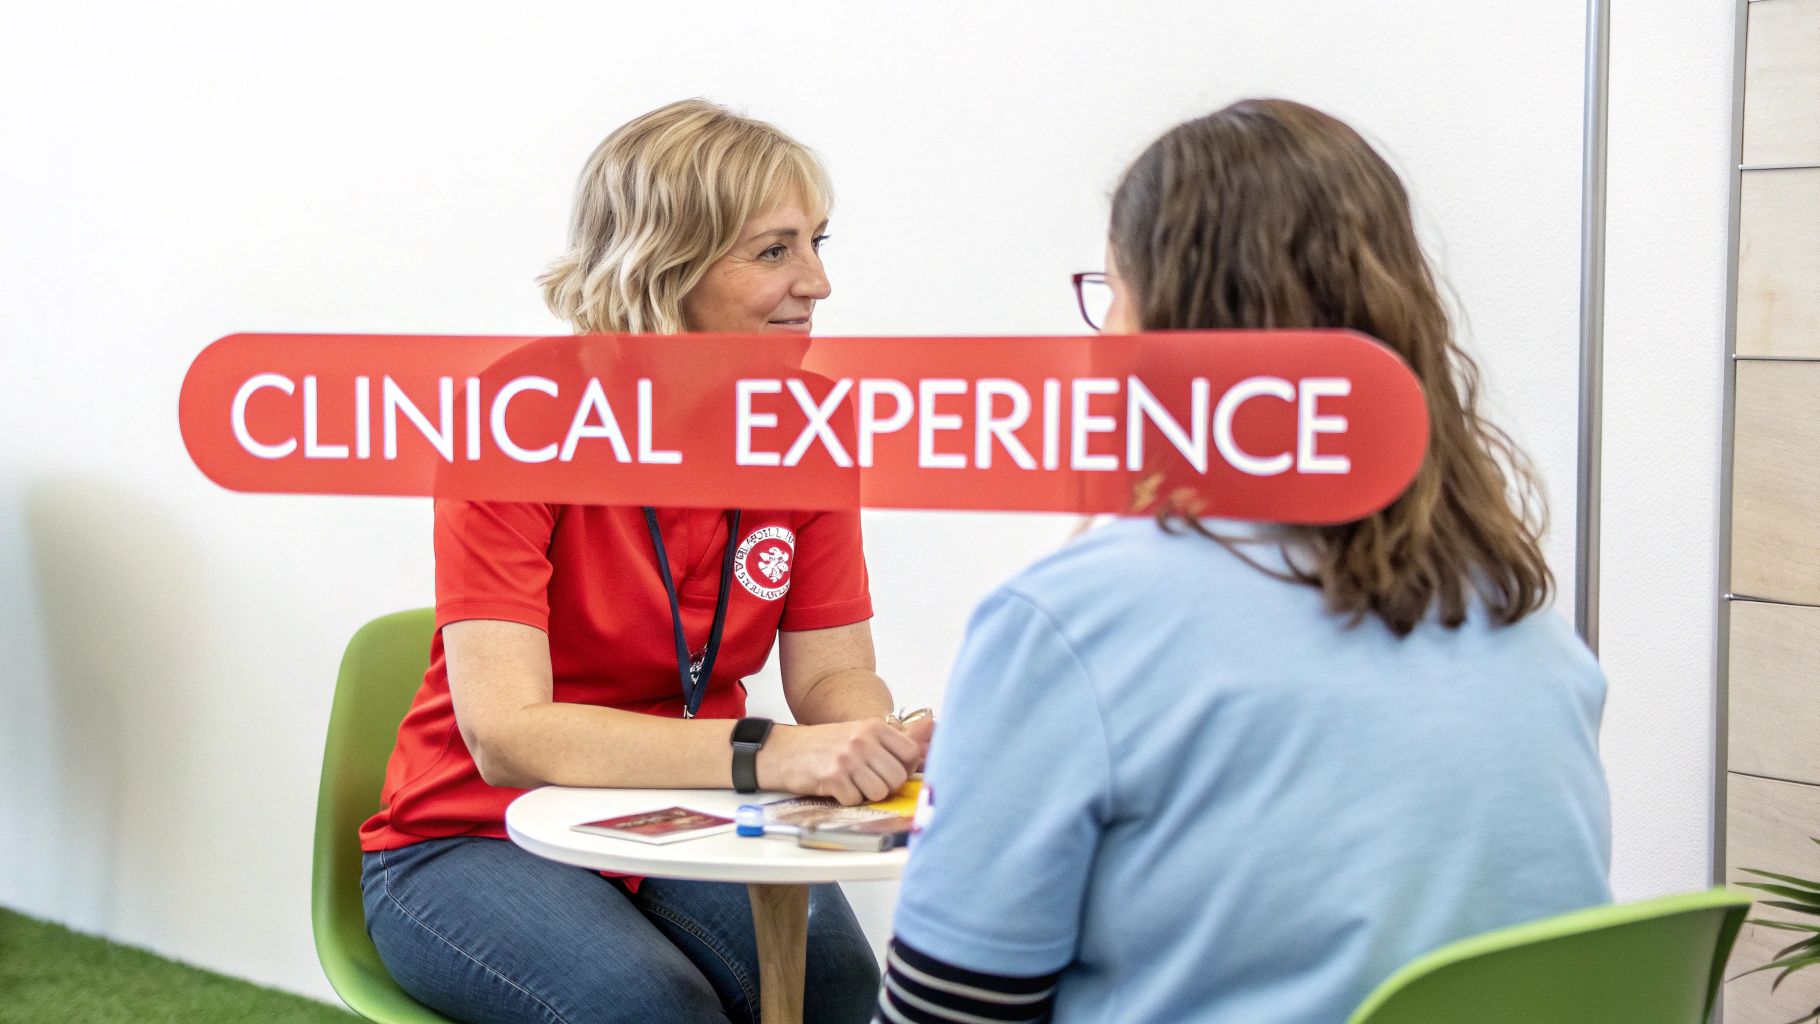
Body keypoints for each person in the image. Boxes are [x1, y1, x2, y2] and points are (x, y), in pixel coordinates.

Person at [874, 98, 1612, 1024]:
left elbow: (946, 1015)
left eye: (1113, 294)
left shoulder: (1073, 622)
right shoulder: (1514, 611)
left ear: (1165, 326)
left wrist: (1030, 709)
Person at [359, 99, 930, 1024]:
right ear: (667, 263)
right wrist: (771, 753)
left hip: (680, 805)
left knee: (836, 986)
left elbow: (834, 670)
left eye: (818, 242)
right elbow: (507, 736)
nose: (818, 282)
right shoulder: (519, 417)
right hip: (468, 834)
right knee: (645, 1007)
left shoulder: (812, 428)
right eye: (775, 250)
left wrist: (876, 747)